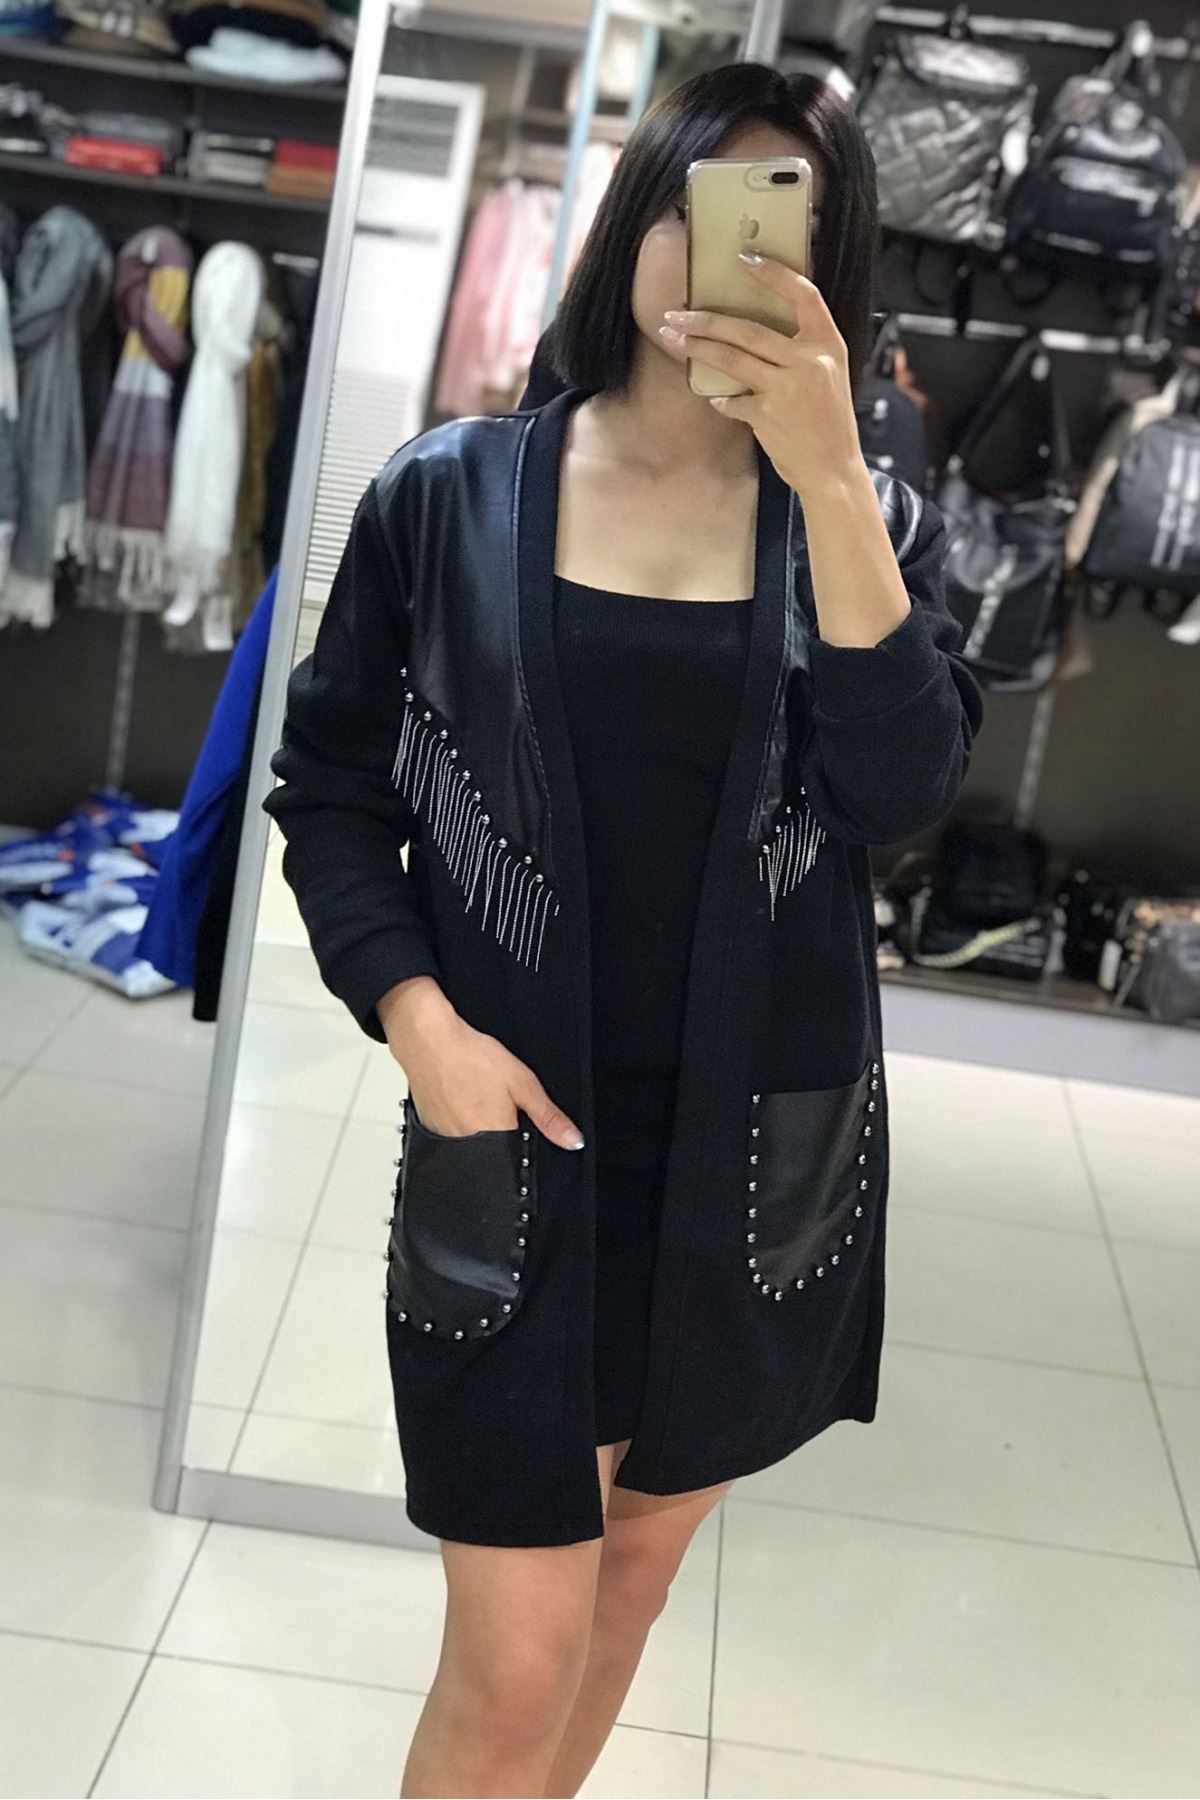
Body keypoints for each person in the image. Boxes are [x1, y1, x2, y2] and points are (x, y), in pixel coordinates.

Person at [262, 59, 983, 1800]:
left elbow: (901, 791)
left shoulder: (865, 526)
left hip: (750, 1162)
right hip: (514, 1137)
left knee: (632, 1587)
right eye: (690, 202)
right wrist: (420, 1026)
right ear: (629, 220)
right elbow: (330, 789)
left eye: (775, 217)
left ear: (830, 265)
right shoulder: (449, 495)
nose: (716, 251)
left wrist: (836, 483)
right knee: (514, 1661)